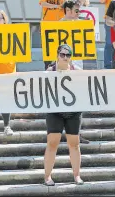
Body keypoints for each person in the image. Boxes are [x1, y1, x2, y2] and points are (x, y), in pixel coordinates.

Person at [43, 44, 84, 186]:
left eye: (68, 55)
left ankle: (77, 175)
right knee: (52, 143)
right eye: (62, 54)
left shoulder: (77, 71)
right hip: (55, 111)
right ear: (57, 55)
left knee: (74, 143)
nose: (65, 57)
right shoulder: (50, 71)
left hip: (73, 111)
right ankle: (47, 176)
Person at [58, 0, 90, 144]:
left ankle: (76, 132)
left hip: (77, 65)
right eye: (76, 10)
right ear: (68, 10)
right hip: (62, 69)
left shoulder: (81, 25)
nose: (79, 13)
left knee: (79, 98)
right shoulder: (58, 26)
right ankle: (61, 132)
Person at [39, 0, 69, 70]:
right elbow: (43, 3)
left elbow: (66, 7)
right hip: (47, 24)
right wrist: (55, 6)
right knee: (47, 50)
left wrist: (66, 1)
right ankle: (47, 68)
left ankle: (60, 68)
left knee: (60, 48)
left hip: (60, 25)